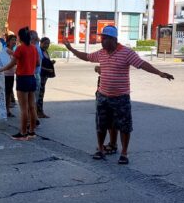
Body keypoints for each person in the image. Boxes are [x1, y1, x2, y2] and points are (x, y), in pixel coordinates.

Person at [63, 25, 174, 165]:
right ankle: (101, 149)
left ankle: (124, 153)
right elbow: (86, 57)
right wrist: (71, 49)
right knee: (101, 124)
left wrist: (159, 73)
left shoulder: (127, 53)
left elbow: (142, 64)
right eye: (101, 38)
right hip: (103, 96)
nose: (101, 41)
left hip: (121, 97)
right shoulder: (101, 53)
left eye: (104, 38)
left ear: (113, 39)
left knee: (124, 126)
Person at [0, 26, 38, 141]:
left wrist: (0, 69)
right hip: (32, 78)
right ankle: (32, 131)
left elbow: (11, 64)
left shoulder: (20, 49)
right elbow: (38, 63)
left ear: (20, 37)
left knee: (23, 108)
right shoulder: (34, 48)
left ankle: (23, 133)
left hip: (23, 79)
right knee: (32, 107)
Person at [0, 33, 17, 117]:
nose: (14, 42)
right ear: (7, 42)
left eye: (15, 40)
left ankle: (7, 110)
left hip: (11, 75)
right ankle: (3, 110)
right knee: (5, 94)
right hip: (4, 75)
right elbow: (8, 65)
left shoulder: (13, 52)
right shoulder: (4, 51)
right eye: (12, 40)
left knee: (8, 94)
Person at [37, 37, 55, 119]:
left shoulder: (45, 51)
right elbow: (38, 66)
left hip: (45, 76)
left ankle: (40, 111)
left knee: (41, 94)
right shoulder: (39, 52)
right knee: (39, 94)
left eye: (48, 43)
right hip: (40, 76)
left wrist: (51, 63)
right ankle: (39, 112)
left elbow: (45, 62)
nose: (47, 45)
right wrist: (47, 69)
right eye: (45, 43)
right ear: (41, 43)